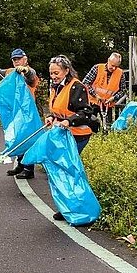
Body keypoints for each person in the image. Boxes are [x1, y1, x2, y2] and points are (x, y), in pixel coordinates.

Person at [45, 55, 93, 221]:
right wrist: (51, 117)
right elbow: (57, 108)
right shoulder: (54, 86)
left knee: (69, 171)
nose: (53, 76)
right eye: (51, 73)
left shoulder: (76, 87)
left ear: (66, 70)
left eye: (56, 72)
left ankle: (77, 207)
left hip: (78, 135)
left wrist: (68, 121)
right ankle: (66, 207)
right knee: (60, 171)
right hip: (63, 134)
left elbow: (86, 112)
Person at [3, 48, 40, 179]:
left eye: (19, 59)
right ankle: (20, 164)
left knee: (27, 140)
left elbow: (31, 76)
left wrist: (25, 70)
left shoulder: (29, 72)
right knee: (18, 138)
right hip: (16, 111)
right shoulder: (11, 72)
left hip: (28, 113)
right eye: (14, 59)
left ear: (25, 59)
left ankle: (29, 169)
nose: (16, 62)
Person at [82, 52, 127, 130]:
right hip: (93, 102)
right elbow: (85, 83)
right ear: (108, 60)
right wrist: (95, 95)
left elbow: (123, 90)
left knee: (107, 127)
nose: (114, 68)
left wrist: (114, 98)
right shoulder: (97, 68)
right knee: (90, 126)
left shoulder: (120, 73)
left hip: (107, 104)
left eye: (116, 67)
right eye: (112, 65)